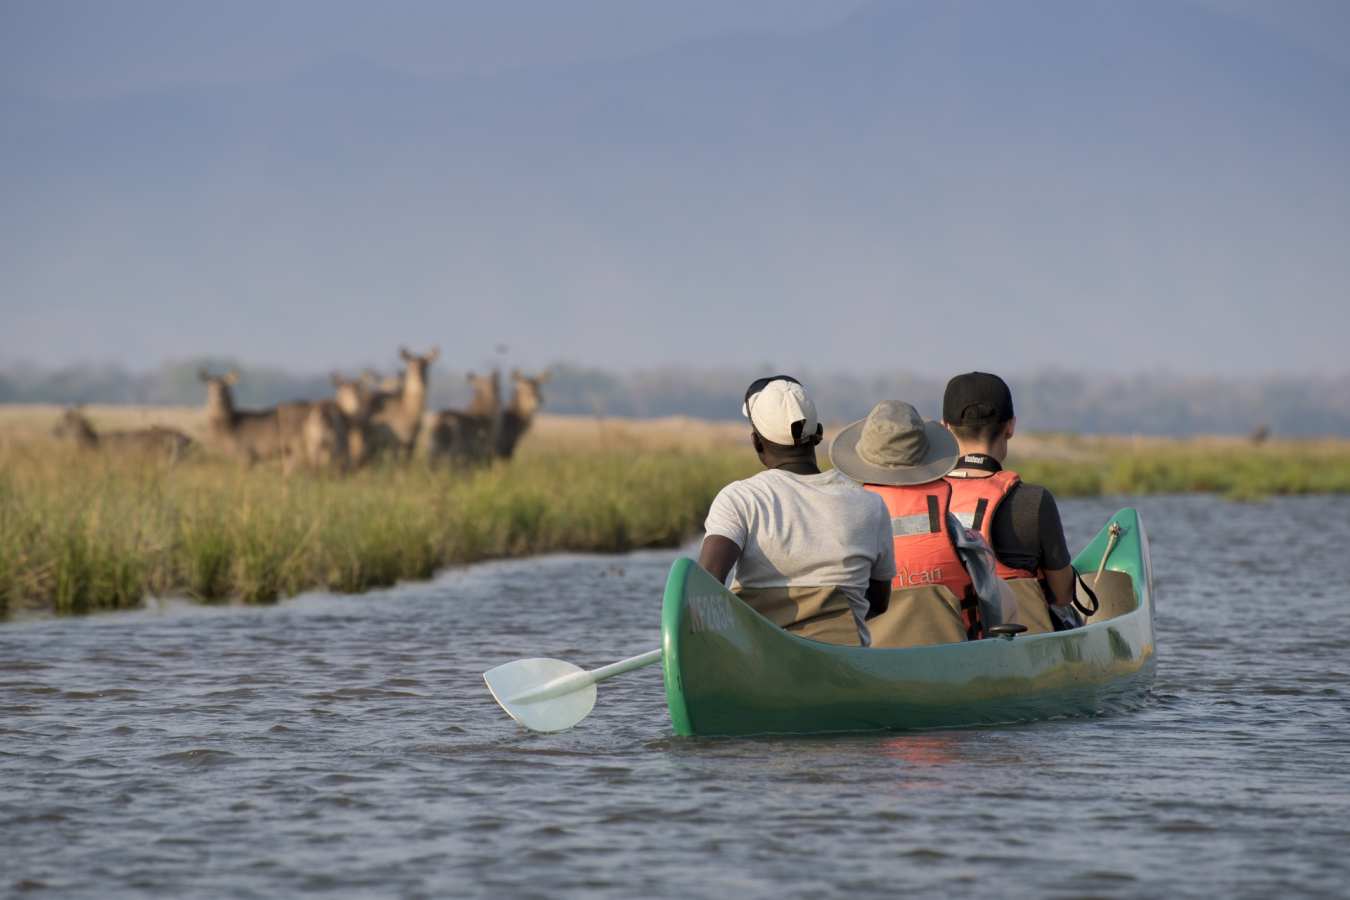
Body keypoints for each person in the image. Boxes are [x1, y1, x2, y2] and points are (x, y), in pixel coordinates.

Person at [698, 376, 896, 647]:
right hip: (843, 659)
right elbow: (878, 602)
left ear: (756, 442)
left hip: (757, 656)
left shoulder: (740, 499)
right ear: (819, 434)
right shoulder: (870, 504)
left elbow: (704, 586)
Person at [830, 400, 1015, 648]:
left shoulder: (845, 528)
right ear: (925, 458)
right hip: (952, 650)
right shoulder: (956, 533)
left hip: (870, 655)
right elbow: (990, 600)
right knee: (1007, 597)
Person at [942, 372, 1077, 633]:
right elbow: (1063, 595)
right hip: (1022, 644)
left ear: (945, 428)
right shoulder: (1034, 501)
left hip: (947, 639)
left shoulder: (926, 501)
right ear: (1010, 427)